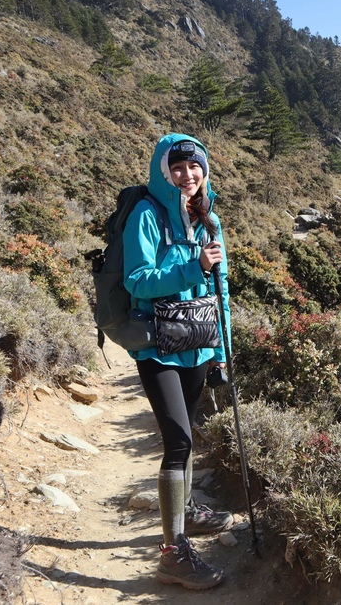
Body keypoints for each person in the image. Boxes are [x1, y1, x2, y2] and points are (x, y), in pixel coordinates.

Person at [122, 133, 234, 590]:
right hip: (157, 345)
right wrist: (194, 268)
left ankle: (184, 512)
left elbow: (220, 287)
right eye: (179, 167)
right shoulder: (146, 215)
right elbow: (137, 281)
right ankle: (173, 554)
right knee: (179, 442)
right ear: (163, 171)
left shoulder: (210, 221)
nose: (188, 175)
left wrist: (222, 351)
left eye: (196, 167)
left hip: (200, 342)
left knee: (187, 432)